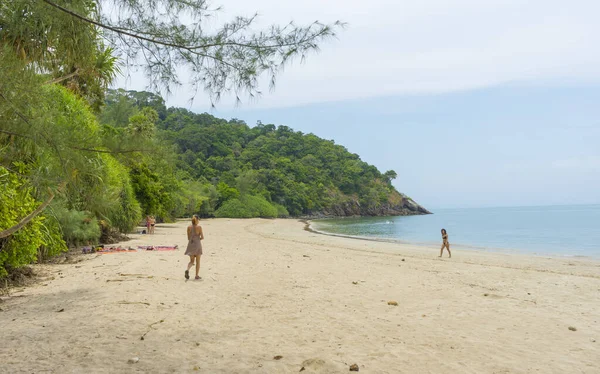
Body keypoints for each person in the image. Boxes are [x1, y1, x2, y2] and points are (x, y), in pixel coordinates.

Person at [184, 215, 204, 280]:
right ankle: (196, 276)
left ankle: (187, 269)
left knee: (191, 261)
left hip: (191, 245)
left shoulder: (188, 227)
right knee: (198, 261)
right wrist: (198, 239)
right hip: (197, 245)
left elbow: (188, 238)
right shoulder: (199, 227)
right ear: (197, 220)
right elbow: (202, 237)